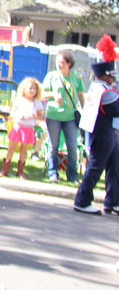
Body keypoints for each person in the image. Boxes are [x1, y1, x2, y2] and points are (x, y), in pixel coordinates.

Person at [74, 36, 119, 215]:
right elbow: (115, 109)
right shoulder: (105, 92)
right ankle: (82, 200)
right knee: (96, 166)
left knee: (115, 165)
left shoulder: (97, 88)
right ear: (106, 74)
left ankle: (112, 201)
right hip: (103, 132)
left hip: (102, 131)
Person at [42, 50, 86, 183]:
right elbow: (42, 94)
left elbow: (80, 95)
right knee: (53, 145)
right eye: (57, 62)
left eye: (61, 62)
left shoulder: (76, 77)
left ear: (69, 64)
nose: (58, 65)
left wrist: (84, 112)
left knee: (72, 146)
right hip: (54, 115)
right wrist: (53, 95)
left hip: (70, 117)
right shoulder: (51, 76)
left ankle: (72, 175)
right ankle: (53, 173)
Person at [0, 77, 44, 178]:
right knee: (11, 148)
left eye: (35, 89)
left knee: (24, 150)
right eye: (30, 88)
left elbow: (41, 117)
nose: (32, 90)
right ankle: (4, 169)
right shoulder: (19, 100)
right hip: (18, 126)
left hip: (29, 128)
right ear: (24, 88)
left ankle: (20, 171)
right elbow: (12, 113)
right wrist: (19, 116)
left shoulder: (37, 103)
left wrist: (35, 117)